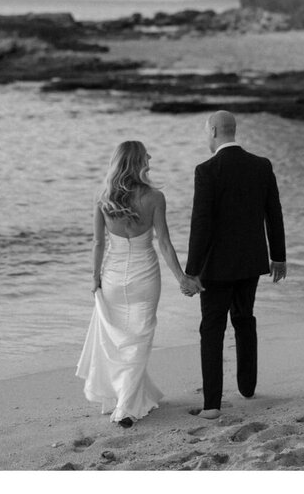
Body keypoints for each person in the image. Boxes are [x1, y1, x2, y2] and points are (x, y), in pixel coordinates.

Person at [76, 141, 201, 427]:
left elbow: (97, 243)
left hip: (113, 278)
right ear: (136, 162)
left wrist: (94, 277)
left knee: (120, 340)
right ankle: (125, 407)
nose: (150, 158)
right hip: (145, 276)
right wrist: (181, 277)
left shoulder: (102, 197)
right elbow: (165, 244)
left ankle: (130, 395)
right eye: (146, 155)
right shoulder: (155, 197)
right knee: (139, 340)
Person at [185, 111, 286, 419]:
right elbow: (274, 212)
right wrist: (278, 256)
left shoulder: (207, 170)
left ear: (214, 131)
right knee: (244, 318)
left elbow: (200, 224)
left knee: (212, 329)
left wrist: (191, 270)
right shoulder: (261, 165)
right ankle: (247, 387)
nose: (206, 137)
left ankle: (212, 405)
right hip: (251, 262)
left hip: (215, 268)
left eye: (206, 132)